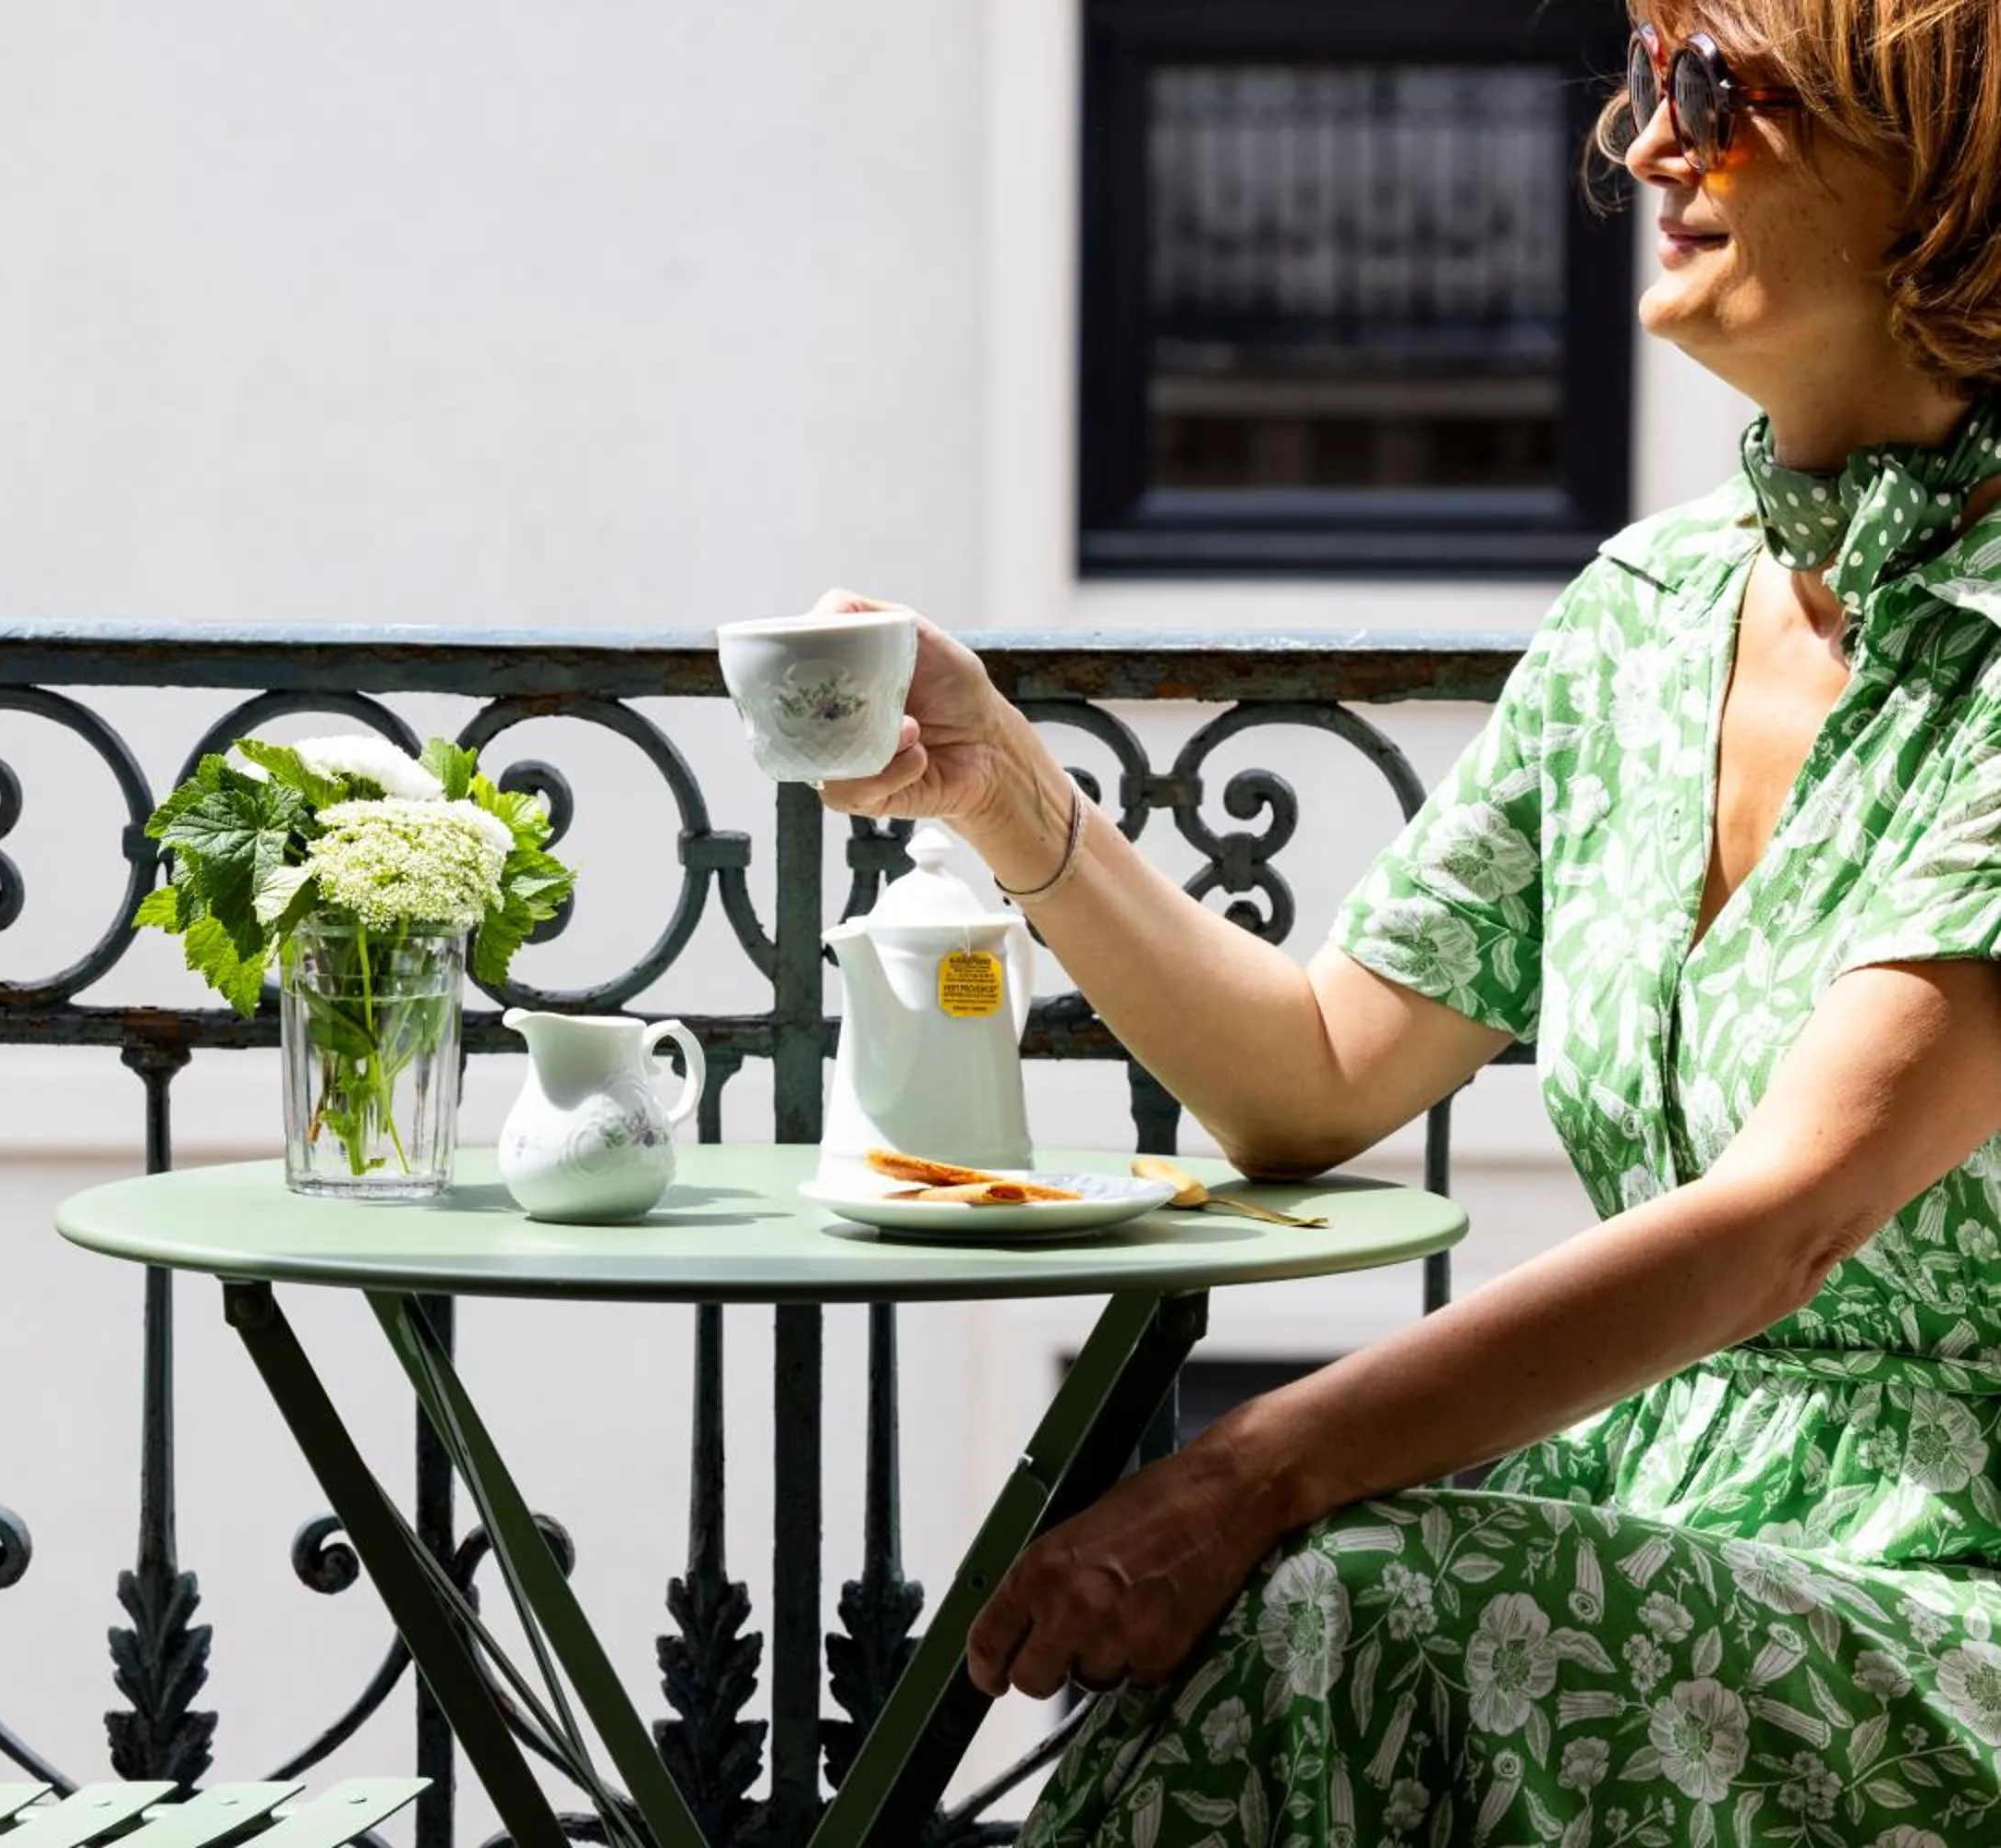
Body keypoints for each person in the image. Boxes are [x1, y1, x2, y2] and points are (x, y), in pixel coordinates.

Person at [816, 2, 2001, 1840]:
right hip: (1663, 1523)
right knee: (1314, 1615)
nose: (1641, 145)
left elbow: (1782, 1224)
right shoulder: (1645, 616)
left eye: (1713, 88)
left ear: (1942, 153)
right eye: (1637, 80)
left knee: (1352, 1605)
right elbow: (1311, 1076)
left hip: (1951, 1585)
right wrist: (1007, 792)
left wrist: (1243, 1476)